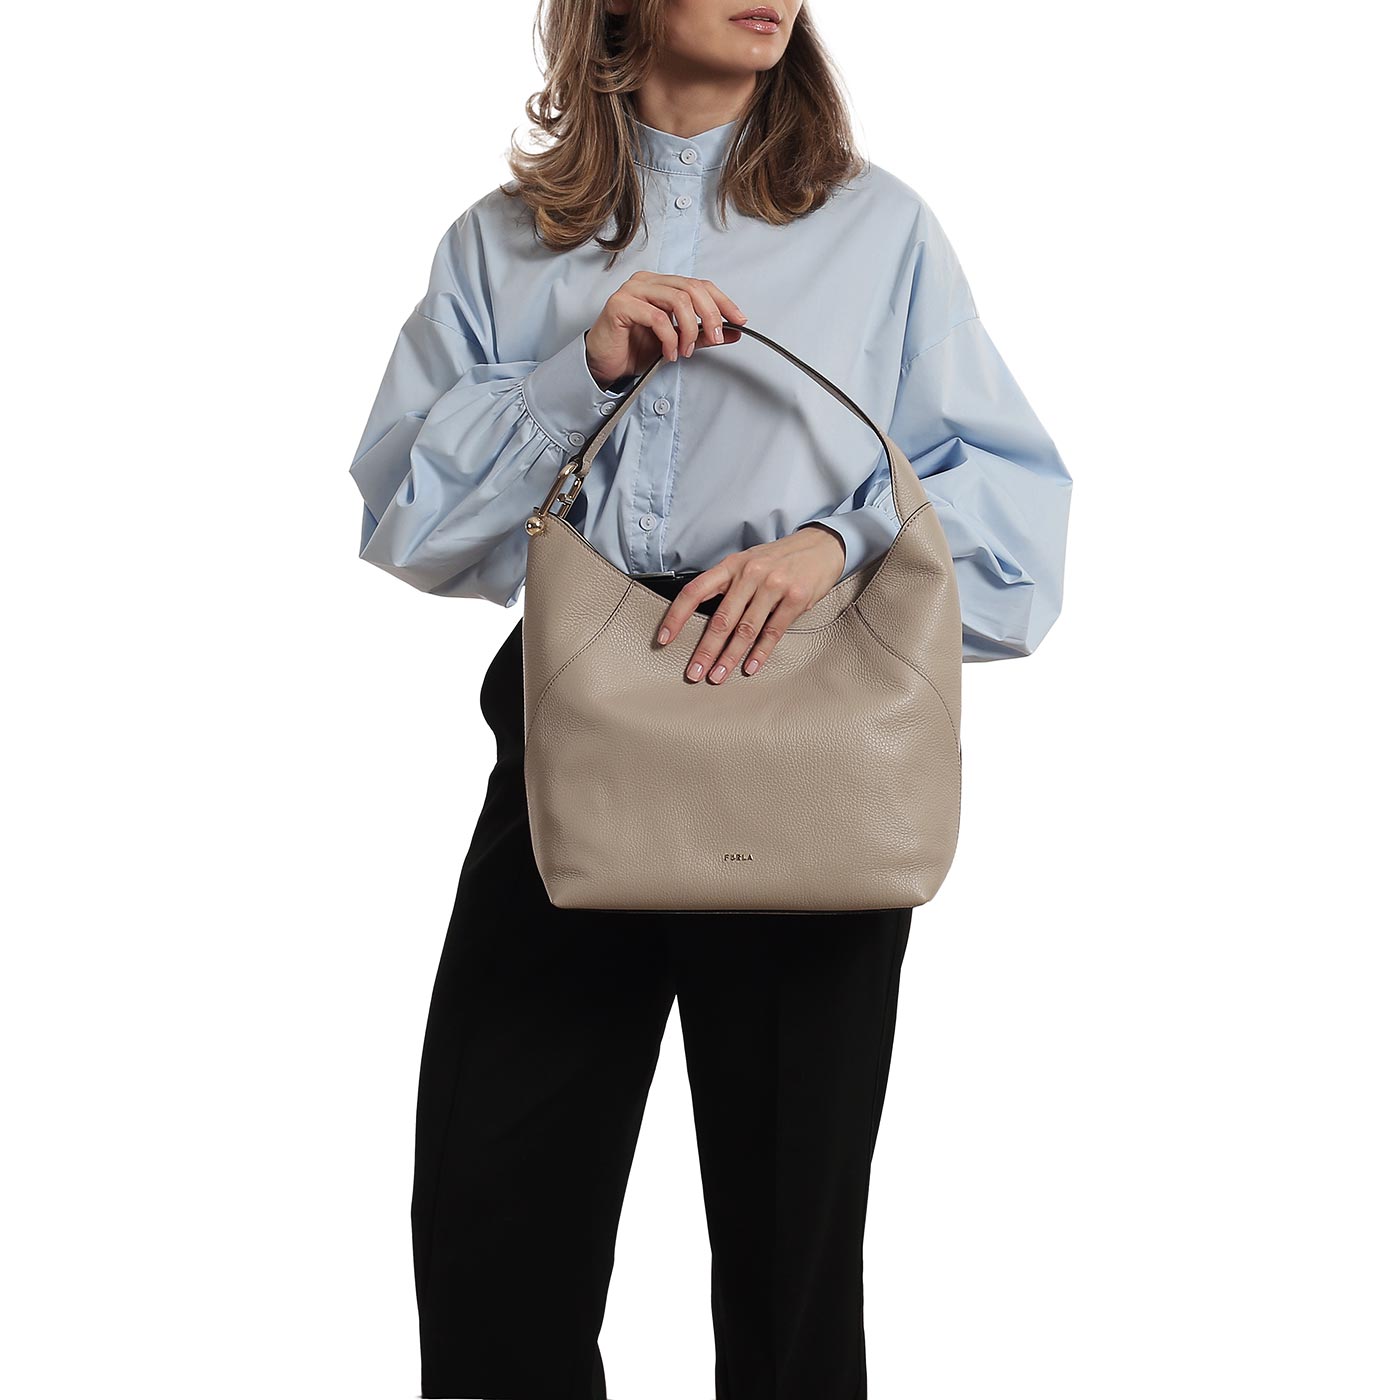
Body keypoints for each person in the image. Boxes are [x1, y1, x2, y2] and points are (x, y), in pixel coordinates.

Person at [347, 2, 1072, 1396]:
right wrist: (581, 372)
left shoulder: (881, 231)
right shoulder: (504, 244)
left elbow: (1018, 531)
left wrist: (835, 545)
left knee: (792, 1270)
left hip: (811, 758)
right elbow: (406, 522)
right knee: (492, 1232)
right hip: (576, 754)